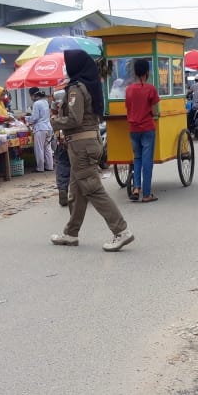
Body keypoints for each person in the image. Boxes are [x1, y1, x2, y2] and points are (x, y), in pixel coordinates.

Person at [50, 49, 133, 251]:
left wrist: (55, 121)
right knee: (77, 191)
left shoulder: (76, 89)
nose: (65, 67)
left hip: (81, 146)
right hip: (85, 144)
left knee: (93, 190)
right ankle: (71, 233)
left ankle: (121, 231)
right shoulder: (89, 85)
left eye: (67, 64)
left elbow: (75, 119)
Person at [126, 59, 161, 203]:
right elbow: (154, 110)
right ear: (147, 72)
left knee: (137, 158)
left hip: (133, 129)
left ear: (135, 72)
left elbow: (128, 108)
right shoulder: (151, 89)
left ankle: (136, 188)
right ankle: (146, 194)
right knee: (147, 161)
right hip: (147, 128)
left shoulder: (128, 89)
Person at [25, 88, 54, 173]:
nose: (30, 98)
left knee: (39, 149)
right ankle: (49, 166)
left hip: (40, 129)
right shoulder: (45, 101)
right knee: (47, 148)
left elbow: (35, 118)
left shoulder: (36, 104)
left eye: (30, 96)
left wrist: (26, 118)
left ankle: (40, 168)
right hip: (48, 128)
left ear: (34, 95)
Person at [51, 89, 71, 207]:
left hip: (60, 136)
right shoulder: (75, 91)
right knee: (77, 166)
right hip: (73, 136)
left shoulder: (56, 94)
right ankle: (79, 193)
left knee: (62, 164)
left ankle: (63, 189)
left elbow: (53, 114)